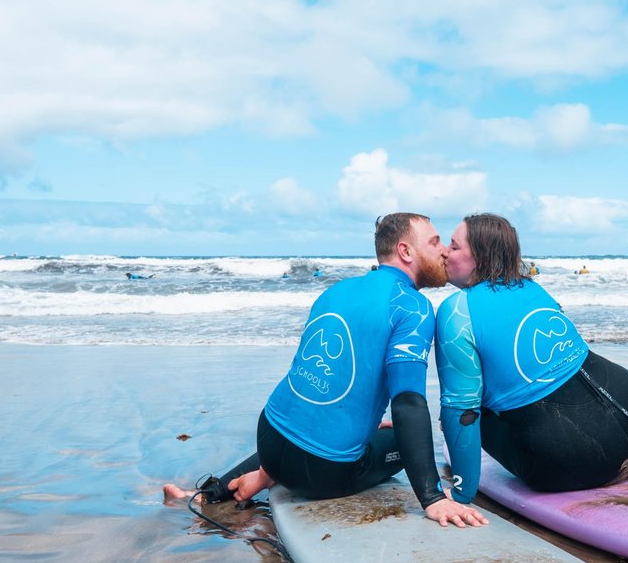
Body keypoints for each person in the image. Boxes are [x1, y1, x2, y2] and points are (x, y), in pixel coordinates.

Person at [163, 213, 487, 529]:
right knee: (404, 441)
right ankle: (263, 477)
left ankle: (213, 492)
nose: (444, 250)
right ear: (405, 251)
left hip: (269, 438)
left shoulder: (336, 290)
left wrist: (371, 422)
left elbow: (329, 380)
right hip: (321, 472)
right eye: (434, 242)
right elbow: (408, 403)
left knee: (310, 421)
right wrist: (431, 497)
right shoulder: (411, 306)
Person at [435, 213, 628, 503]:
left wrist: (462, 492)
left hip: (570, 461)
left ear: (479, 256)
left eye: (453, 246)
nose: (444, 251)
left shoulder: (456, 311)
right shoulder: (532, 287)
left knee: (459, 404)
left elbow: (461, 411)